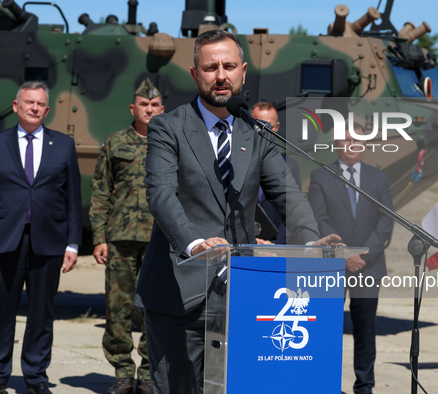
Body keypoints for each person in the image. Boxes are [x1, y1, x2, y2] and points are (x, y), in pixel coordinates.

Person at [134, 29, 341, 394]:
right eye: (210, 67)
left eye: (229, 65)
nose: (221, 75)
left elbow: (287, 194)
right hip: (177, 293)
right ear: (195, 74)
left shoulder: (257, 133)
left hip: (240, 294)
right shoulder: (168, 127)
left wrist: (310, 243)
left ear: (243, 71)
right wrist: (195, 243)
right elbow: (161, 195)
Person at [0, 81, 82, 394]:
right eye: (28, 102)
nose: (34, 108)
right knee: (0, 312)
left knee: (41, 314)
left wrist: (73, 243)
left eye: (40, 104)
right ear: (16, 106)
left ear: (48, 109)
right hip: (4, 240)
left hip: (48, 241)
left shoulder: (63, 145)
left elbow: (73, 198)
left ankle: (35, 377)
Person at [90, 78, 164, 394]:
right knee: (117, 307)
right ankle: (122, 370)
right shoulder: (115, 142)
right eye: (143, 105)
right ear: (133, 108)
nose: (149, 109)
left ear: (162, 109)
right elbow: (100, 191)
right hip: (120, 237)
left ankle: (148, 373)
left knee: (155, 307)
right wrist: (98, 237)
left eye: (154, 105)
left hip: (159, 238)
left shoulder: (171, 143)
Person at [307, 122, 394, 394]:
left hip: (369, 266)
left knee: (365, 330)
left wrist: (362, 255)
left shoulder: (379, 179)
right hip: (332, 265)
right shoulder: (321, 177)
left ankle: (364, 386)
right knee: (328, 328)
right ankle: (325, 384)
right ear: (336, 144)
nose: (353, 144)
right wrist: (342, 256)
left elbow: (385, 222)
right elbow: (318, 219)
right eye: (346, 140)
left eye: (358, 140)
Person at [250, 102, 302, 244]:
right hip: (240, 247)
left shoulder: (290, 166)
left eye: (270, 127)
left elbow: (293, 212)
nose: (264, 132)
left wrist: (275, 245)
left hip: (274, 249)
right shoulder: (233, 161)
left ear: (277, 127)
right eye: (259, 125)